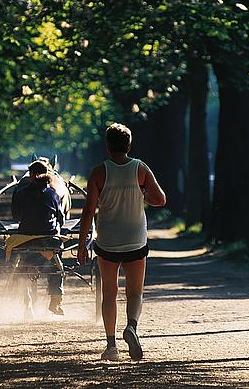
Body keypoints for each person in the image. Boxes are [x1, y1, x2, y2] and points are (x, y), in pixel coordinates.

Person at [78, 123, 166, 361]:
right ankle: (132, 328)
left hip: (107, 241)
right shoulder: (140, 169)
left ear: (107, 146)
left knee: (109, 292)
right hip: (135, 240)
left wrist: (81, 244)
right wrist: (142, 194)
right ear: (128, 145)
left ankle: (111, 346)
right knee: (135, 292)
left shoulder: (98, 172)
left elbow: (88, 212)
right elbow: (161, 199)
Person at [10, 159, 66, 316]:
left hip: (26, 238)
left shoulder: (20, 193)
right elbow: (61, 218)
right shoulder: (53, 194)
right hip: (50, 240)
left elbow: (16, 216)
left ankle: (27, 304)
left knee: (23, 263)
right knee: (56, 266)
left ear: (31, 175)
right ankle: (56, 300)